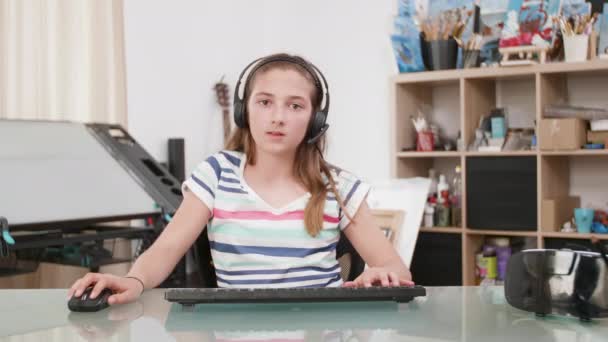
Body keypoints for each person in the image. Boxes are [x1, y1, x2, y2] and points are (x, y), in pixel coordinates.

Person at [68, 53, 413, 306]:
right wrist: (133, 280)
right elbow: (167, 248)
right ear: (244, 110)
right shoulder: (216, 175)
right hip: (238, 329)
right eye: (265, 102)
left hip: (320, 329)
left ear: (315, 121)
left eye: (295, 106)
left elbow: (395, 267)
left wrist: (380, 274)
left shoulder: (338, 187)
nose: (278, 117)